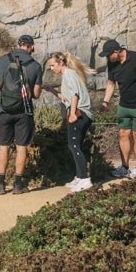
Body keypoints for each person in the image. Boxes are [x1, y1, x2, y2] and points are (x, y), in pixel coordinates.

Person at [98, 37, 136, 179]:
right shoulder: (112, 63)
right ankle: (124, 167)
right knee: (123, 135)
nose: (107, 58)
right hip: (124, 105)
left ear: (117, 51)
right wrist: (105, 102)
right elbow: (111, 83)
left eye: (109, 54)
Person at [0, 34, 43, 194]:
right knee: (21, 147)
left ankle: (0, 183)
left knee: (4, 145)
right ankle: (18, 184)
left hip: (4, 110)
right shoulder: (35, 65)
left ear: (18, 44)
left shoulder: (3, 59)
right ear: (31, 46)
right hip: (24, 111)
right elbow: (35, 94)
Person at [45, 51, 93, 191]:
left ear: (60, 63)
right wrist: (52, 91)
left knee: (74, 146)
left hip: (80, 114)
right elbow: (66, 97)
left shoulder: (68, 74)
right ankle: (79, 176)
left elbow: (74, 95)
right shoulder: (70, 74)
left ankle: (84, 180)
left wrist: (72, 113)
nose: (52, 69)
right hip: (84, 114)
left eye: (53, 65)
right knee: (75, 145)